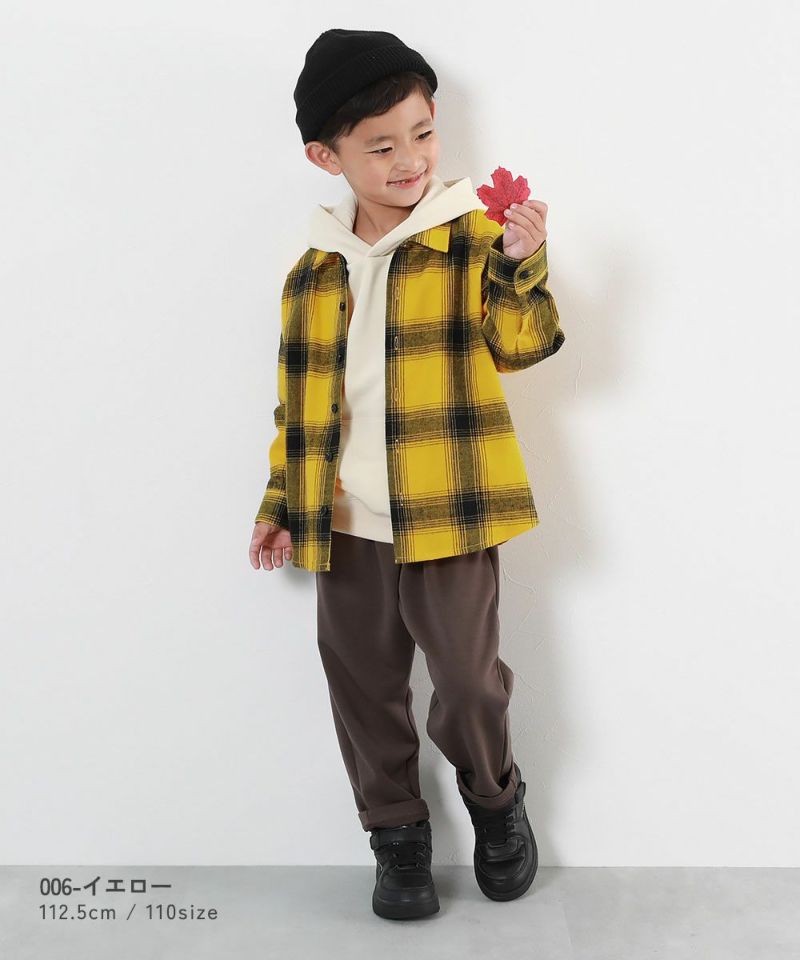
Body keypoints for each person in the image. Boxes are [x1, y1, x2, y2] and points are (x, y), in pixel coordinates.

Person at [248, 28, 565, 921]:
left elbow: (525, 346)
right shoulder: (312, 273)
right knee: (362, 685)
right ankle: (396, 837)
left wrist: (519, 266)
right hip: (344, 518)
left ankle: (497, 802)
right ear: (327, 156)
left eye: (422, 133)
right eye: (381, 146)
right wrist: (281, 502)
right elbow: (297, 406)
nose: (409, 159)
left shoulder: (471, 238)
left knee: (466, 681)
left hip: (449, 508)